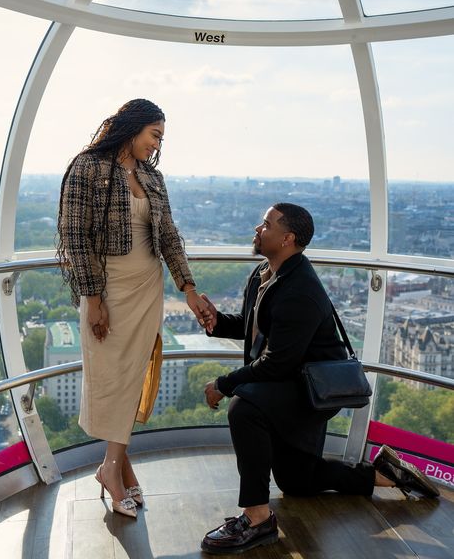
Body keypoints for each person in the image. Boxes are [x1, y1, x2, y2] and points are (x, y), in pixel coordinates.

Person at [199, 203, 439, 554]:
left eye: (266, 224)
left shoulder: (300, 290)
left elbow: (276, 363)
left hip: (309, 393)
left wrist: (223, 385)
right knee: (297, 481)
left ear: (287, 238)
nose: (257, 229)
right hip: (288, 383)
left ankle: (257, 518)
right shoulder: (264, 274)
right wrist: (217, 322)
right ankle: (383, 474)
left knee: (244, 406)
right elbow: (258, 329)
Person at [57, 98, 212, 518]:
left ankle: (115, 468)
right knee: (110, 377)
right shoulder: (86, 167)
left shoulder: (152, 177)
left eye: (160, 138)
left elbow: (169, 238)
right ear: (133, 127)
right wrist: (93, 300)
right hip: (107, 290)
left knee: (132, 376)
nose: (157, 145)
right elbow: (75, 237)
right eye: (154, 135)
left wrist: (189, 288)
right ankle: (113, 469)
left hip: (147, 288)